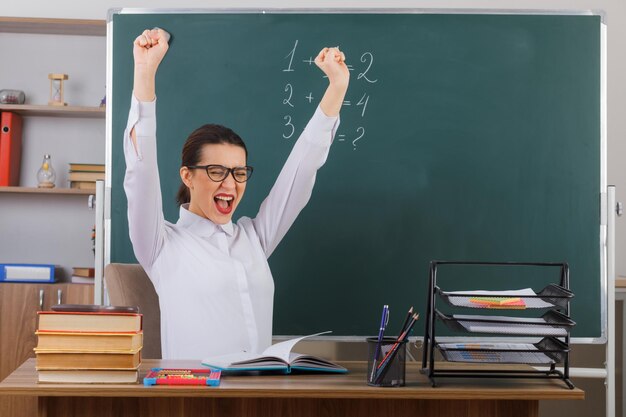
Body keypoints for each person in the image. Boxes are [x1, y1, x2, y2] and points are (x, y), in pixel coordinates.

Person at [124, 28, 350, 359]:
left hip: (258, 395)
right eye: (216, 171)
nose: (230, 184)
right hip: (196, 399)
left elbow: (300, 174)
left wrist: (337, 88)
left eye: (239, 173)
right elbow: (139, 172)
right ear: (187, 175)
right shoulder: (161, 245)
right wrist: (145, 74)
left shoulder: (254, 239)